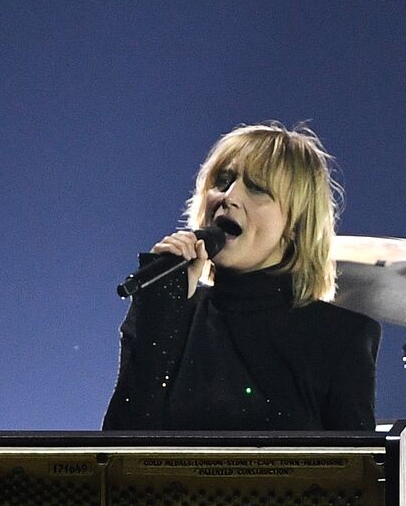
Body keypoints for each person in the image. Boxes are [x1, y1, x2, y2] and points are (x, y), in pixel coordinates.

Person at [104, 122, 380, 433]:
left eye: (258, 188)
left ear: (295, 224)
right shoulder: (169, 314)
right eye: (222, 181)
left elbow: (356, 475)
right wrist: (162, 309)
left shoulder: (339, 338)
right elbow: (118, 451)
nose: (230, 197)